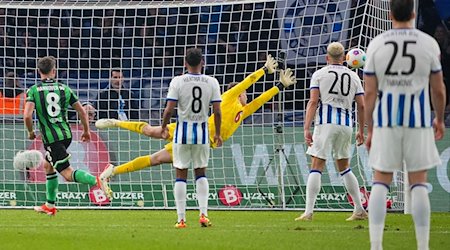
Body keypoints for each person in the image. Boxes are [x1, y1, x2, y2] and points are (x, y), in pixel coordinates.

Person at [95, 54, 295, 198]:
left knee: (154, 158)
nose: (246, 95)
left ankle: (112, 171)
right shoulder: (228, 97)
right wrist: (263, 70)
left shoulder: (242, 112)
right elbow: (245, 83)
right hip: (194, 133)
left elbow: (260, 100)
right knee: (151, 133)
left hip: (199, 138)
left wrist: (278, 86)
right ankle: (115, 122)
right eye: (242, 93)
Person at [364, 0, 446, 249]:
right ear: (413, 12)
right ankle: (423, 246)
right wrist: (440, 118)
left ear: (389, 14)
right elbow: (438, 88)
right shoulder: (428, 43)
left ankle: (376, 245)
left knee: (381, 180)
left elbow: (369, 93)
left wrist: (370, 127)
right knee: (418, 181)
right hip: (418, 120)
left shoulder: (377, 43)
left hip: (387, 120)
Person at [23, 56, 109, 215]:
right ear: (54, 71)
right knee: (48, 166)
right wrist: (86, 130)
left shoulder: (33, 90)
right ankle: (50, 205)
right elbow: (82, 111)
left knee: (67, 174)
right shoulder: (64, 89)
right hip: (66, 134)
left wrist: (30, 132)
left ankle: (96, 180)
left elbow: (27, 116)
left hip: (52, 139)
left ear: (38, 71)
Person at [295, 42, 367, 222]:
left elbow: (313, 102)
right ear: (344, 58)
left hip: (326, 123)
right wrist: (361, 129)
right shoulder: (354, 76)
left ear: (327, 57)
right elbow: (362, 105)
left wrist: (306, 128)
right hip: (346, 124)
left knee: (316, 165)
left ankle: (308, 212)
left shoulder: (319, 74)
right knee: (344, 167)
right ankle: (359, 209)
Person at [160, 48, 223, 228]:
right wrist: (217, 133)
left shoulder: (178, 81)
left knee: (181, 174)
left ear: (185, 63)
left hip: (182, 133)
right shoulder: (212, 82)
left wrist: (164, 127)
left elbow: (169, 109)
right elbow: (217, 111)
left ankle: (181, 219)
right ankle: (203, 214)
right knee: (201, 173)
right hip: (202, 133)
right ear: (202, 62)